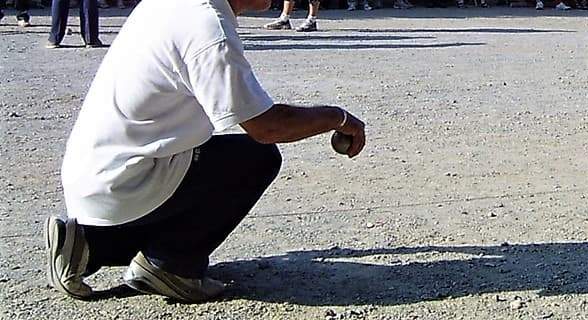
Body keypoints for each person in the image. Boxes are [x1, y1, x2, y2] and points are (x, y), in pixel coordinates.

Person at [45, 0, 366, 303]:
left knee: (209, 157)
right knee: (254, 159)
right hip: (126, 179)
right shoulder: (207, 26)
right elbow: (267, 127)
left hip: (98, 177)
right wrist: (337, 117)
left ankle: (90, 245)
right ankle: (170, 264)